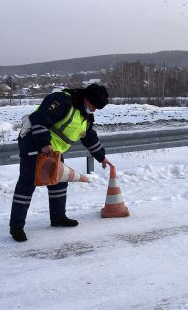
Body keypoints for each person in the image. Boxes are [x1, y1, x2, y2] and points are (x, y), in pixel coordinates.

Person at [9, 84, 112, 242]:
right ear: (86, 98)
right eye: (93, 105)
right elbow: (39, 120)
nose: (94, 110)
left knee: (58, 182)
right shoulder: (61, 101)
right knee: (27, 183)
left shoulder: (86, 117)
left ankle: (58, 218)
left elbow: (89, 137)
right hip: (33, 142)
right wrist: (44, 143)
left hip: (53, 150)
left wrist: (101, 157)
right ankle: (16, 227)